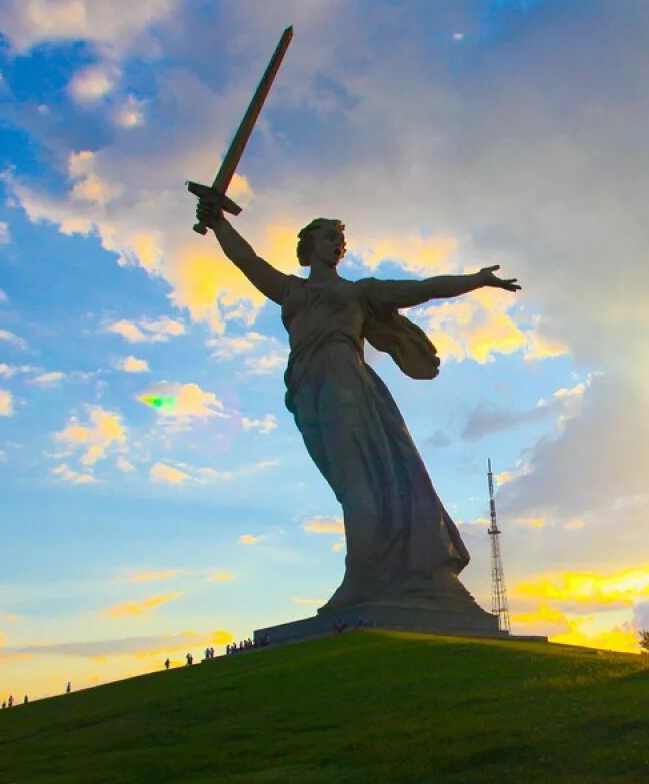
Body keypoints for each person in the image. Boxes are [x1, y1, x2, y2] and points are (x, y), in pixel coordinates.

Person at [197, 202, 517, 615]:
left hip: (345, 381)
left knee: (355, 484)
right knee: (346, 484)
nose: (339, 246)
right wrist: (217, 221)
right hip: (305, 387)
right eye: (331, 238)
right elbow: (246, 260)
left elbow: (421, 288)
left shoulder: (357, 292)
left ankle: (361, 579)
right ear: (309, 245)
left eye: (342, 241)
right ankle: (370, 575)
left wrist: (475, 280)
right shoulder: (291, 290)